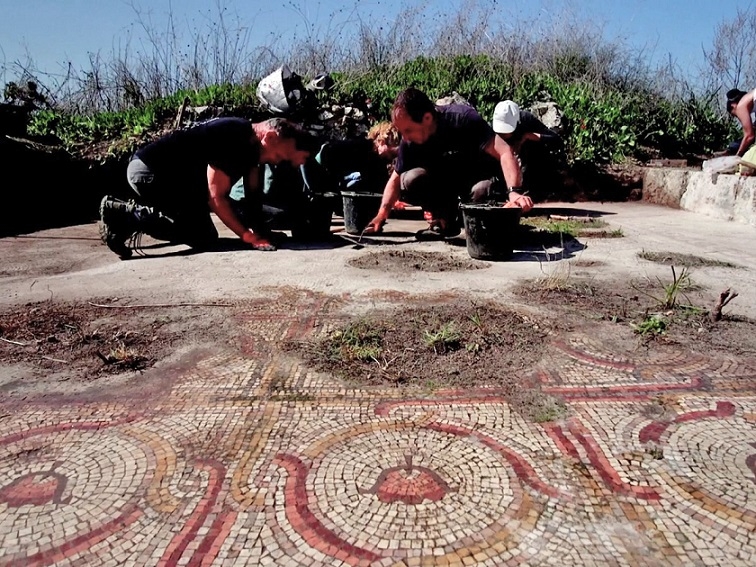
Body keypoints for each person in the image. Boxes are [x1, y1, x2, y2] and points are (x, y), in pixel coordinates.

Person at [99, 117, 318, 259]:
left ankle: (122, 226)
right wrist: (248, 238)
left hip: (178, 180)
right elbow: (216, 198)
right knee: (200, 237)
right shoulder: (235, 139)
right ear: (269, 137)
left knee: (204, 235)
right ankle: (122, 213)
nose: (278, 162)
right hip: (151, 173)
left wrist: (261, 232)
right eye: (279, 155)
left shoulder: (254, 152)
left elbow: (253, 198)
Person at [363, 88, 533, 239]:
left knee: (483, 189)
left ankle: (482, 226)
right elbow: (395, 178)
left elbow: (504, 151)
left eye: (408, 130)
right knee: (409, 179)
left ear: (427, 118)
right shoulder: (409, 142)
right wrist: (381, 215)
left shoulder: (463, 118)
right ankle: (444, 220)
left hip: (476, 182)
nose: (405, 137)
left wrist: (514, 192)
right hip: (445, 188)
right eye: (402, 132)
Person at [491, 100, 565, 200]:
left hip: (528, 163)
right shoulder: (492, 130)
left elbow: (556, 140)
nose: (503, 134)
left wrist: (529, 136)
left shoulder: (525, 119)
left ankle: (535, 191)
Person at [725, 88, 756, 157]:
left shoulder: (740, 106)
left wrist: (738, 155)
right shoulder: (752, 97)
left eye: (735, 115)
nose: (738, 117)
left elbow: (749, 136)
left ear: (733, 105)